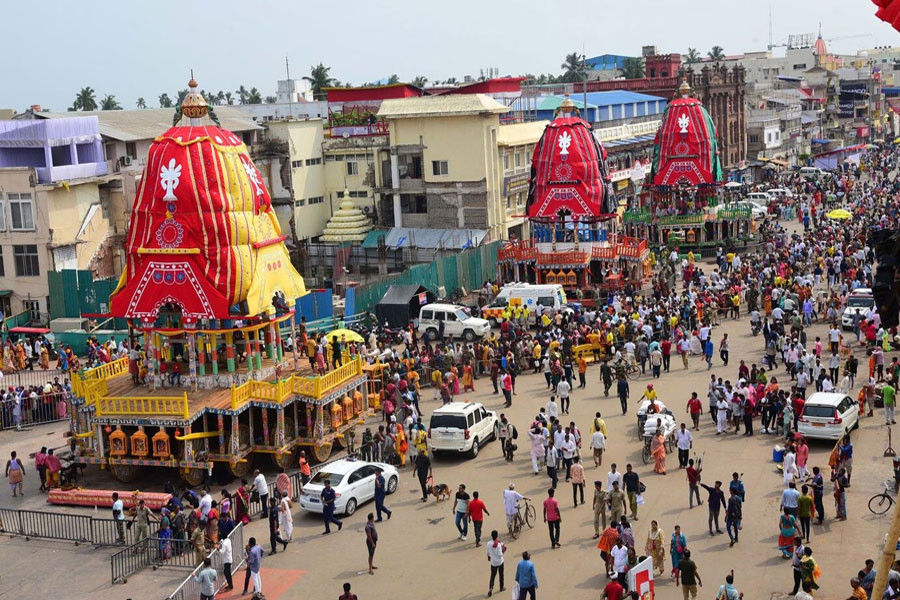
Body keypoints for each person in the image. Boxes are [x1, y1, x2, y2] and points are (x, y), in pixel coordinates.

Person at [486, 529, 507, 597]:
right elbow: (500, 554)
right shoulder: (498, 544)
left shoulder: (488, 543)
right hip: (500, 562)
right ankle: (501, 587)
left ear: (491, 536)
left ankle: (491, 588)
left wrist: (489, 557)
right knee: (501, 575)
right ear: (497, 536)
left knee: (493, 575)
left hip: (493, 563)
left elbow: (488, 552)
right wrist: (503, 550)